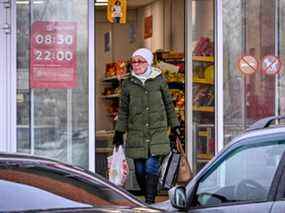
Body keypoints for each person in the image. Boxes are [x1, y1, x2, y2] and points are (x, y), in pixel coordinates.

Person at [113, 48, 180, 204]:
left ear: (148, 62)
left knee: (151, 167)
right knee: (139, 170)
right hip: (137, 133)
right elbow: (123, 110)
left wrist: (175, 125)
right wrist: (119, 132)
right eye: (133, 61)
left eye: (140, 61)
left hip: (157, 132)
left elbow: (168, 104)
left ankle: (150, 200)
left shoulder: (159, 79)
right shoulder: (128, 83)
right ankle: (147, 192)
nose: (136, 65)